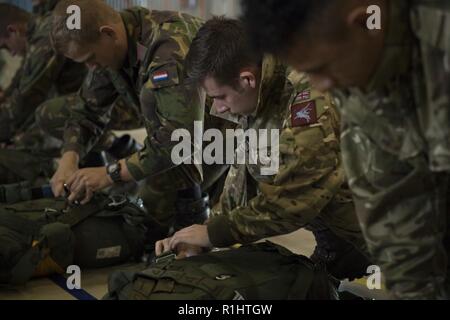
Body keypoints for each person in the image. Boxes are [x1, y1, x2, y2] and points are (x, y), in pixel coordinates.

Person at [240, 0, 450, 299]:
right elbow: (397, 209)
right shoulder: (359, 78)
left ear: (365, 22)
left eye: (321, 68)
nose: (320, 86)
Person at [156, 17, 371, 280]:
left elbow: (293, 200)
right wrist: (203, 235)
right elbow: (242, 176)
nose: (218, 108)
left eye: (219, 97)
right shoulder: (260, 86)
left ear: (246, 79)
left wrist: (214, 234)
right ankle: (343, 250)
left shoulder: (311, 98)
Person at [0, 3, 86, 184]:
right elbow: (19, 83)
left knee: (18, 151)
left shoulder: (46, 38)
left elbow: (26, 99)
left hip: (97, 108)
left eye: (6, 46)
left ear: (13, 30)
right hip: (80, 108)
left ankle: (56, 176)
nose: (12, 53)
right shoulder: (38, 35)